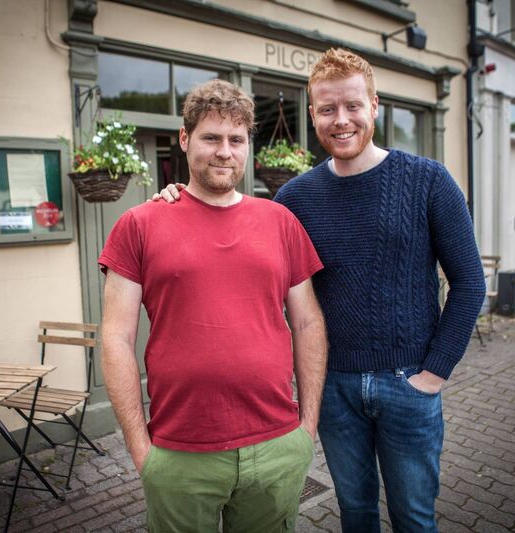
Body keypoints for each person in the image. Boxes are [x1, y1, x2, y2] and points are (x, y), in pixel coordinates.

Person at [156, 49, 486, 532]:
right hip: (334, 390)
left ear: (374, 105)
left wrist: (434, 374)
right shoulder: (295, 198)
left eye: (352, 106)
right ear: (313, 115)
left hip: (408, 382)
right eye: (327, 109)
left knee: (414, 517)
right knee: (354, 513)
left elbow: (470, 283)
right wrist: (174, 198)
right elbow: (232, 221)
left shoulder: (428, 181)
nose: (341, 120)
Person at [99, 79, 328, 533]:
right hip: (180, 453)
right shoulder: (139, 224)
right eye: (211, 137)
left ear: (247, 146)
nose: (224, 151)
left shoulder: (279, 221)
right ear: (184, 140)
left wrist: (307, 428)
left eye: (236, 140)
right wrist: (141, 450)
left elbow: (308, 323)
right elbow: (115, 337)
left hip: (277, 443)